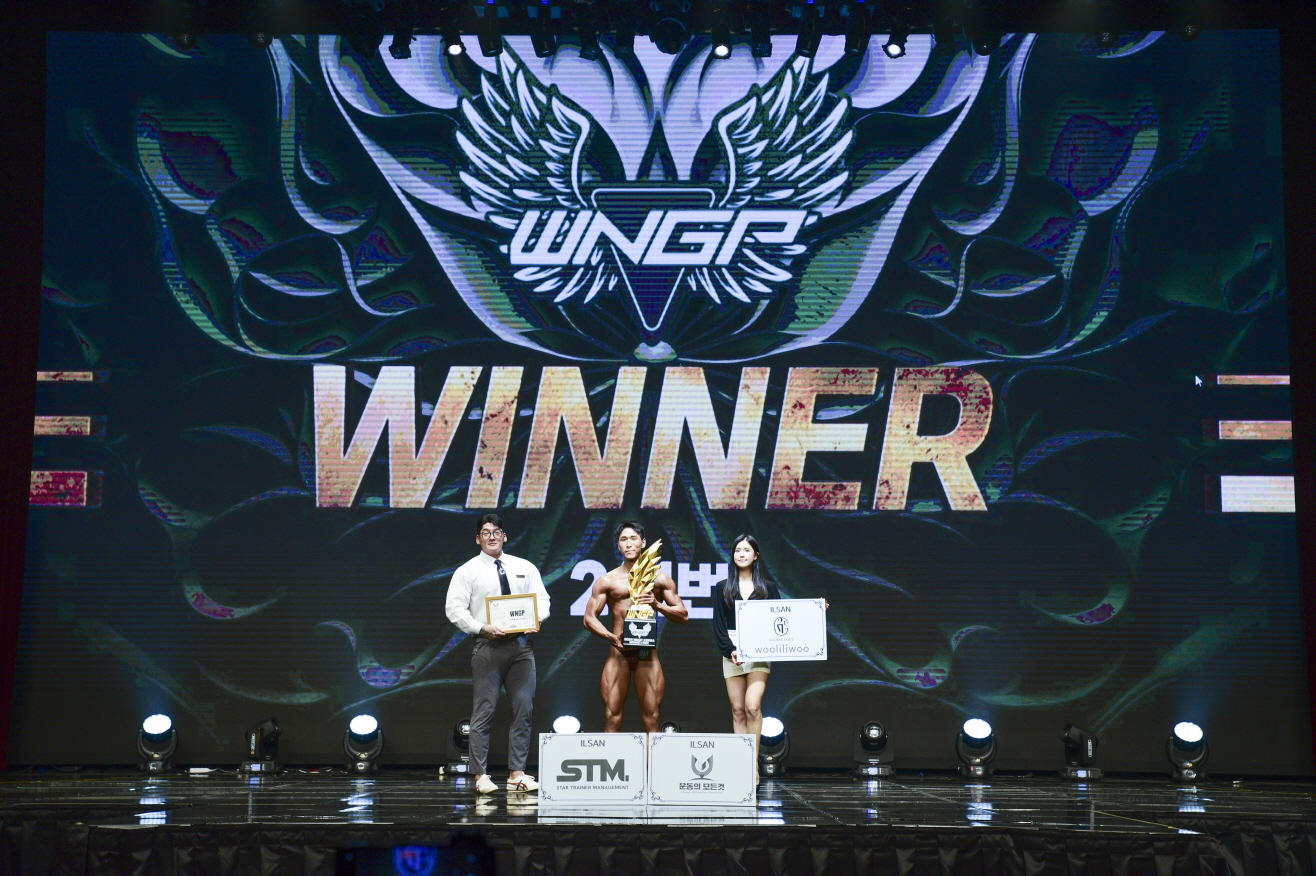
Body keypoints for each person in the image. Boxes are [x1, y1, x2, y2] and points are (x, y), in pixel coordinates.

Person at [445, 514, 550, 795]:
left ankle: (517, 775)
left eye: (496, 532)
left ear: (504, 536)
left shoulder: (524, 567)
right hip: (488, 647)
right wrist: (481, 627)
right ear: (477, 539)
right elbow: (454, 609)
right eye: (485, 532)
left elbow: (542, 599)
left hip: (521, 646)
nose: (492, 537)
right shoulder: (467, 571)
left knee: (524, 709)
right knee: (484, 711)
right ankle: (480, 776)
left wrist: (537, 618)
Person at [583, 520, 689, 732]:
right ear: (618, 545)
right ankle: (610, 756)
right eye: (623, 539)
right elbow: (588, 618)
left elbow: (683, 615)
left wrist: (657, 605)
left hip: (646, 653)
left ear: (643, 542)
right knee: (611, 715)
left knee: (652, 716)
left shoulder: (660, 580)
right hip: (618, 652)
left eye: (633, 538)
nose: (629, 544)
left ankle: (652, 756)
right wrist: (611, 637)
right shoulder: (608, 581)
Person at [712, 533, 780, 780]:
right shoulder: (722, 587)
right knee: (738, 710)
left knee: (752, 706)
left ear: (756, 555)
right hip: (732, 651)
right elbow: (719, 625)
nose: (741, 554)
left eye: (746, 550)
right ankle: (742, 767)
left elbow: (782, 618)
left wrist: (816, 611)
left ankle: (753, 767)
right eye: (737, 550)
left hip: (759, 651)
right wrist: (729, 649)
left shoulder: (768, 588)